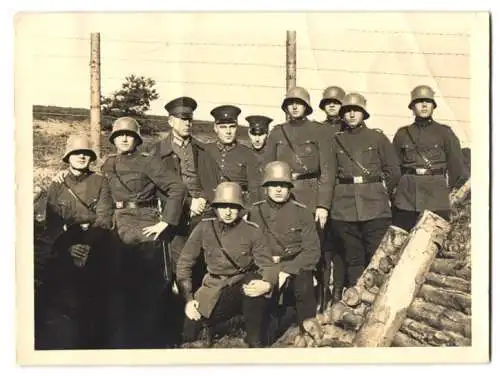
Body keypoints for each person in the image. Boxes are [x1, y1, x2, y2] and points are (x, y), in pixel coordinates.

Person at [100, 116, 186, 349]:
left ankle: (155, 337)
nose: (124, 138)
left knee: (151, 285)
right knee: (120, 283)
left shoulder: (149, 161)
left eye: (129, 135)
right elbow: (102, 194)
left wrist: (166, 221)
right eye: (119, 135)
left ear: (136, 139)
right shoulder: (108, 164)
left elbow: (177, 187)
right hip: (118, 225)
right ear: (113, 139)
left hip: (144, 224)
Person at [35, 135, 113, 350]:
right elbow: (52, 224)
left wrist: (87, 246)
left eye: (86, 153)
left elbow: (104, 218)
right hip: (64, 248)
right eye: (77, 153)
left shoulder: (100, 182)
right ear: (68, 157)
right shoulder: (57, 184)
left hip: (94, 246)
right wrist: (68, 247)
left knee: (95, 302)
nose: (81, 156)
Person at [176, 182, 276, 348]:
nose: (228, 212)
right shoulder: (204, 227)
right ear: (216, 208)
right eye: (223, 206)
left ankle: (254, 341)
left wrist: (267, 284)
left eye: (233, 206)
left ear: (240, 208)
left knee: (253, 283)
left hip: (239, 286)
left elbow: (268, 265)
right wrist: (188, 300)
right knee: (189, 336)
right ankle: (229, 324)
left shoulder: (252, 231)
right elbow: (184, 263)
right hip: (212, 290)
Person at [263, 86, 335, 313]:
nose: (294, 106)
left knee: (315, 250)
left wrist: (323, 205)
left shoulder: (320, 131)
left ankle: (319, 301)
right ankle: (284, 304)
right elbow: (266, 168)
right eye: (290, 103)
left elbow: (328, 171)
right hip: (283, 196)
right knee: (285, 248)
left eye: (299, 103)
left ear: (306, 106)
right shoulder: (277, 132)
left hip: (310, 194)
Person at [330, 93, 401, 288]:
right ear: (342, 115)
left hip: (375, 206)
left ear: (363, 113)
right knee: (353, 259)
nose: (351, 114)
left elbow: (393, 170)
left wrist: (383, 192)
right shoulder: (336, 140)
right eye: (347, 111)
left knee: (377, 256)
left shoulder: (377, 138)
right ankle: (355, 303)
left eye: (356, 110)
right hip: (345, 208)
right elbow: (330, 173)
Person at [248, 161, 323, 345]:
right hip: (264, 266)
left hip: (294, 265)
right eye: (274, 185)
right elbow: (249, 247)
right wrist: (272, 273)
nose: (279, 190)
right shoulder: (255, 211)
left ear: (290, 187)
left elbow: (312, 251)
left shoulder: (302, 212)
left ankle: (307, 333)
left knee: (304, 285)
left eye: (283, 185)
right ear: (266, 188)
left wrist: (286, 271)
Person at [392, 85, 469, 231]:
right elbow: (393, 166)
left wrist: (450, 193)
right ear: (412, 107)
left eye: (428, 101)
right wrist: (396, 192)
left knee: (431, 243)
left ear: (433, 106)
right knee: (400, 241)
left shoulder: (444, 133)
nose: (424, 105)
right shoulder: (402, 134)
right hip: (407, 196)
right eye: (419, 101)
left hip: (436, 195)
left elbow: (457, 165)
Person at [318, 85, 347, 309]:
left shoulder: (350, 128)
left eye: (336, 103)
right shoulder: (317, 130)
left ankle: (338, 291)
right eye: (328, 103)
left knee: (340, 245)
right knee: (322, 245)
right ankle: (322, 293)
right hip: (322, 192)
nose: (332, 106)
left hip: (344, 195)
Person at [204, 105, 260, 207]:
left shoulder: (248, 154)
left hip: (237, 207)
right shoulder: (205, 151)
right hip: (208, 207)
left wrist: (247, 211)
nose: (228, 132)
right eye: (223, 127)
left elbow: (254, 189)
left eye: (232, 127)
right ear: (215, 128)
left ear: (236, 127)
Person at [246, 115, 273, 200]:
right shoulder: (244, 154)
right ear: (249, 134)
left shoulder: (274, 155)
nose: (257, 139)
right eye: (254, 134)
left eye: (261, 134)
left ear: (267, 133)